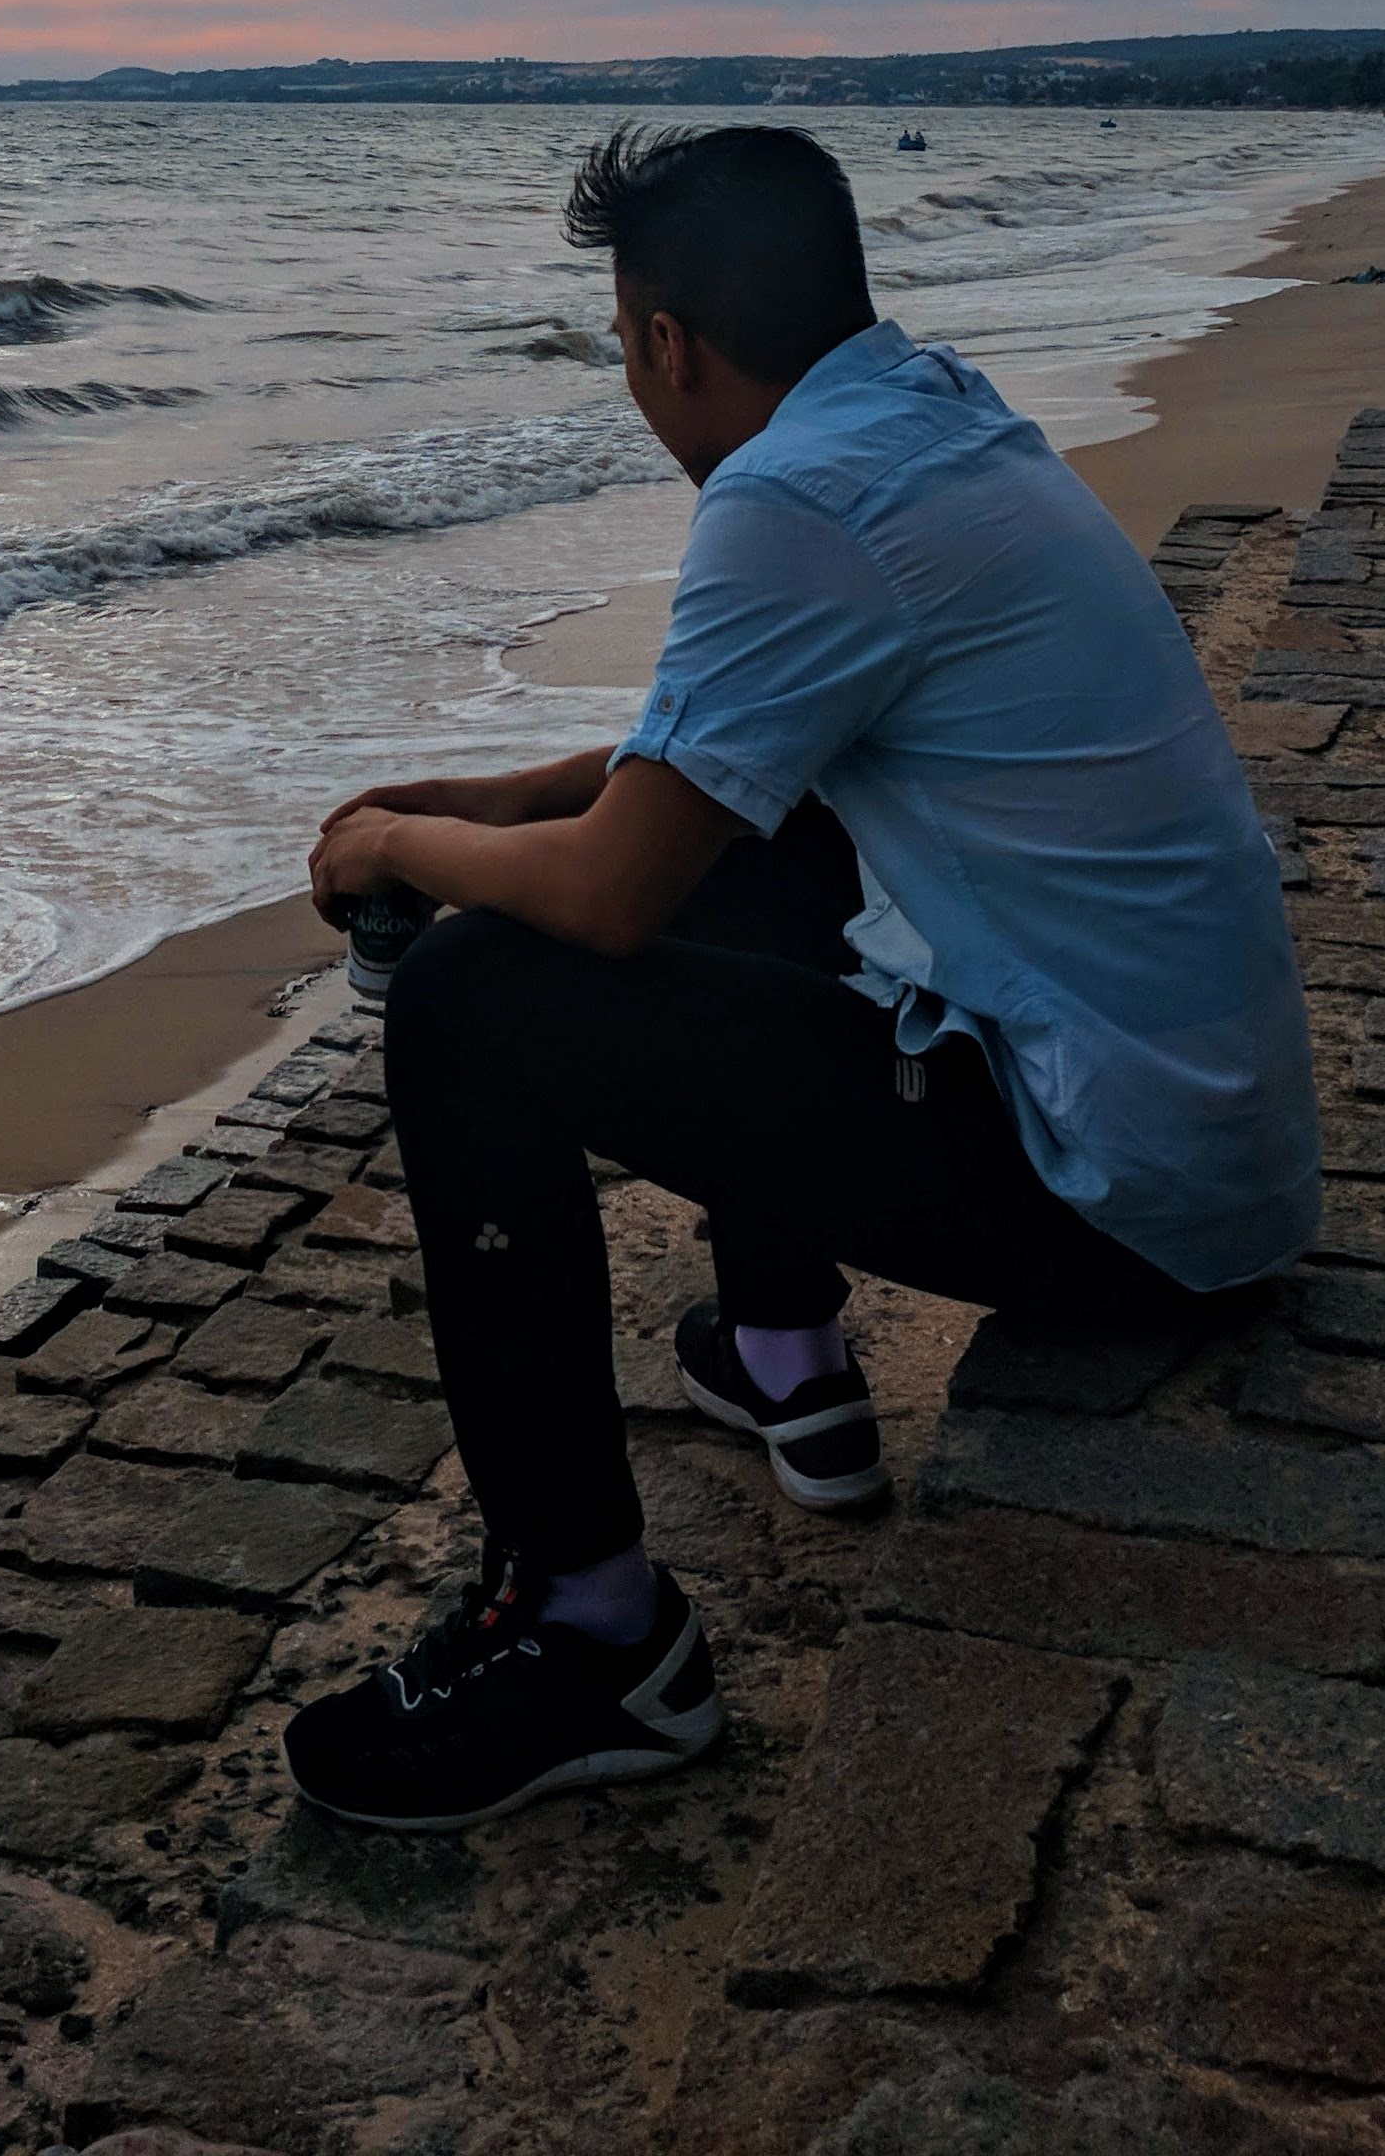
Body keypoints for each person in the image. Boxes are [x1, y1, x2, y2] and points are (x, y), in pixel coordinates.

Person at [284, 119, 1320, 1833]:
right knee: (764, 842)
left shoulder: (790, 501)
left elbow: (615, 898)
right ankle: (782, 1356)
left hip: (1118, 1207)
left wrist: (400, 857)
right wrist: (471, 800)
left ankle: (590, 1636)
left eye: (625, 348)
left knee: (476, 1003)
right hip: (1206, 1160)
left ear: (665, 342)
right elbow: (718, 759)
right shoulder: (924, 419)